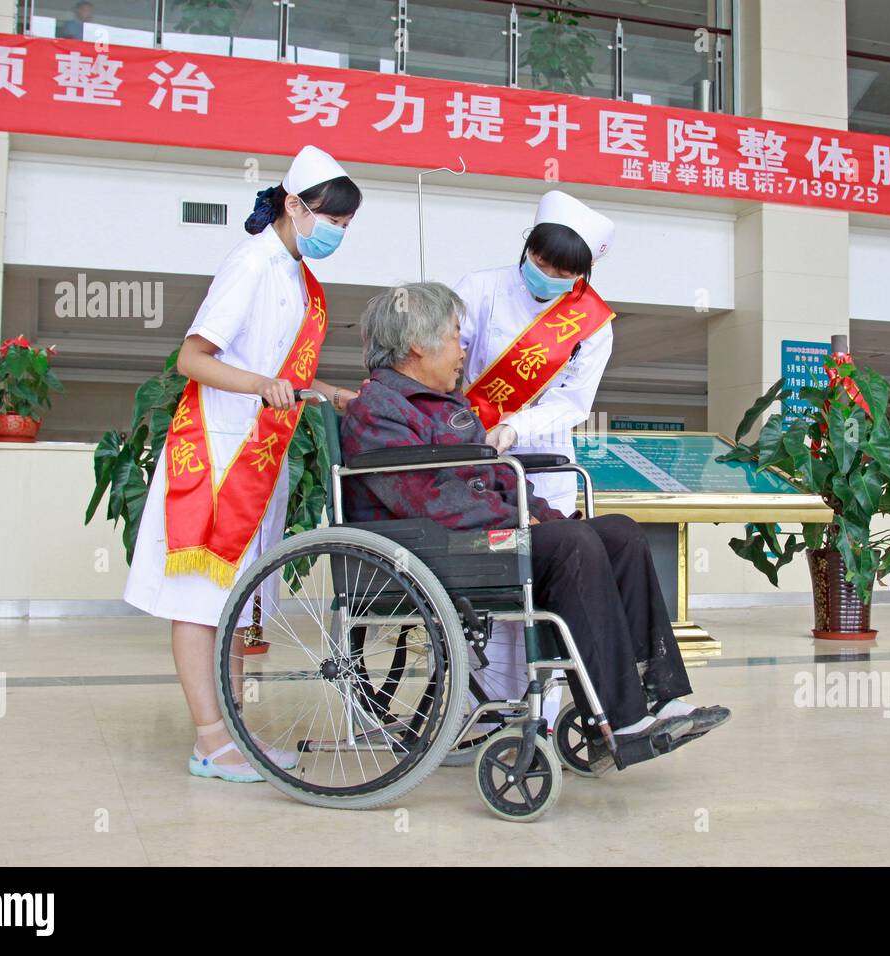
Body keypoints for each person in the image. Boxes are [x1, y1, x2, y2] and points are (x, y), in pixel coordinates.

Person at [340, 281, 730, 757]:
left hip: (474, 538)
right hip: (432, 550)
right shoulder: (376, 410)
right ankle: (621, 722)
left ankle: (657, 695)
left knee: (619, 533)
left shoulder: (449, 405)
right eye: (454, 335)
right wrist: (525, 524)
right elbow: (428, 499)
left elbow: (495, 480)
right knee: (571, 545)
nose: (462, 348)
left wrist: (539, 513)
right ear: (418, 345)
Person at [124, 145, 362, 782]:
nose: (337, 233)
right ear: (292, 205)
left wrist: (328, 392)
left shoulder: (297, 278)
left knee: (231, 610)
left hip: (259, 459)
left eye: (346, 225)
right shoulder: (251, 263)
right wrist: (260, 384)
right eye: (331, 221)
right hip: (217, 458)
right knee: (200, 604)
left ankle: (228, 735)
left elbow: (279, 375)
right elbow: (193, 360)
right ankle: (209, 739)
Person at [453, 190, 616, 715]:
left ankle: (542, 712)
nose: (543, 275)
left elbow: (574, 402)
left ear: (582, 276)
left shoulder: (592, 324)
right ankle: (492, 705)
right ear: (527, 247)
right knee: (498, 590)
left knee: (546, 587)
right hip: (476, 462)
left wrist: (516, 426)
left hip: (546, 470)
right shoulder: (480, 289)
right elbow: (446, 361)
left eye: (560, 272)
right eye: (539, 262)